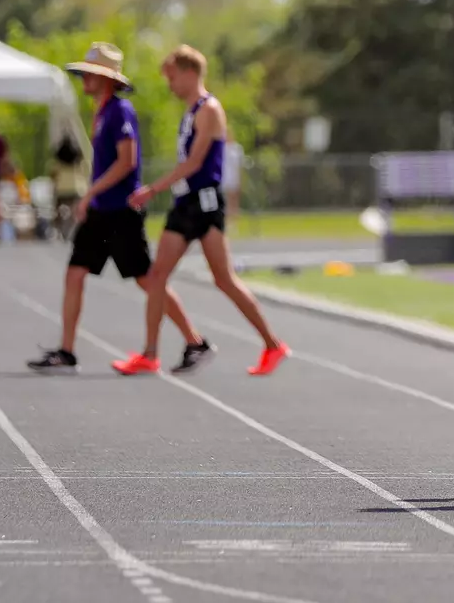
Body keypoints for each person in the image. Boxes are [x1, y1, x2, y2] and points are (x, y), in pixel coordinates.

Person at [28, 43, 210, 373]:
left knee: (147, 280)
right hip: (101, 210)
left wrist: (90, 193)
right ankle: (66, 351)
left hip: (121, 211)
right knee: (75, 274)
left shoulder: (120, 111)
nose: (85, 78)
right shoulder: (99, 114)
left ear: (109, 79)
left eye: (93, 73)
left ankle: (194, 340)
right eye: (85, 72)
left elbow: (128, 162)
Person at [123, 45, 290, 377]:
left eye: (172, 77)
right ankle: (150, 353)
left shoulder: (209, 109)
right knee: (157, 276)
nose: (169, 84)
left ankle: (273, 344)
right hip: (186, 202)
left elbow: (195, 162)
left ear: (189, 73)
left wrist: (153, 189)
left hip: (205, 203)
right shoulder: (191, 111)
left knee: (224, 279)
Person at [50, 132, 89, 240]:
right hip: (76, 189)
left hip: (61, 189)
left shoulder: (58, 164)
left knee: (57, 209)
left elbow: (53, 176)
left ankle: (57, 228)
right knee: (75, 211)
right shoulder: (79, 163)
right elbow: (86, 173)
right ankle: (75, 229)